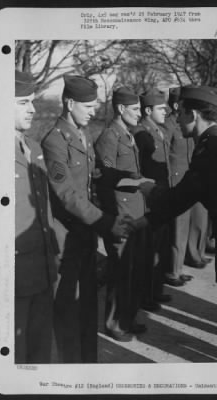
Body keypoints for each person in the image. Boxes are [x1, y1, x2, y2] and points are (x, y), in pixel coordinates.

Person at [130, 85, 217, 361]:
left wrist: (149, 194)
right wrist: (145, 219)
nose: (177, 117)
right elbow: (185, 196)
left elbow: (180, 198)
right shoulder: (213, 142)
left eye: (180, 112)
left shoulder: (212, 150)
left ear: (193, 114)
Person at [41, 75, 130, 363]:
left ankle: (88, 366)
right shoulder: (54, 141)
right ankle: (71, 374)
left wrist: (130, 178)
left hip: (86, 233)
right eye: (88, 106)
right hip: (67, 239)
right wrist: (105, 222)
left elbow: (95, 176)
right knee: (68, 311)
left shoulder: (82, 133)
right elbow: (67, 193)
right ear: (69, 103)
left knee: (88, 305)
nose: (93, 112)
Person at [94, 87, 147, 341]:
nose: (139, 113)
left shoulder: (127, 134)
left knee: (132, 268)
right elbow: (105, 181)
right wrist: (112, 218)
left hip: (134, 211)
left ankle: (127, 317)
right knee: (120, 269)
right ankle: (114, 322)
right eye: (135, 109)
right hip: (120, 212)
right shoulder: (109, 137)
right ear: (121, 109)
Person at [14, 70, 58, 363]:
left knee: (41, 357)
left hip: (43, 269)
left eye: (32, 101)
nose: (32, 109)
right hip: (13, 278)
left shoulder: (34, 147)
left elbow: (46, 210)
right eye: (21, 102)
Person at [164, 87, 210, 287]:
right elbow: (164, 156)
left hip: (190, 179)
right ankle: (173, 271)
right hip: (176, 180)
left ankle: (180, 266)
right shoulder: (169, 125)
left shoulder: (187, 124)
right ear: (175, 104)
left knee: (189, 226)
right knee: (178, 229)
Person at [132, 88, 171, 311]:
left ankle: (155, 291)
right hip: (150, 198)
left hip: (161, 196)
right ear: (148, 110)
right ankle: (146, 296)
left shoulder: (158, 130)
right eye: (160, 108)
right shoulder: (141, 134)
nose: (165, 111)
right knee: (148, 251)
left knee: (159, 248)